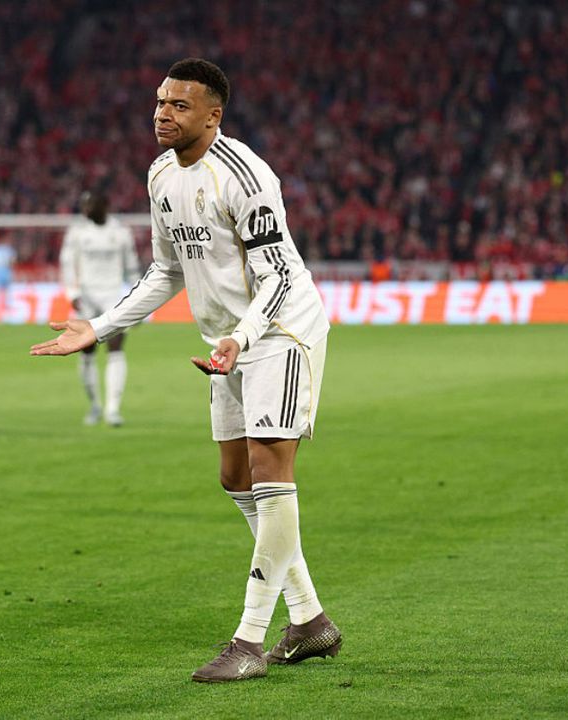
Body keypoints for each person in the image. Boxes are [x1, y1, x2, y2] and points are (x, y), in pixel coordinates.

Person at [31, 58, 341, 682]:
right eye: (159, 102)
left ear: (212, 115)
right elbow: (165, 271)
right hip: (228, 343)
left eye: (179, 105)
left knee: (269, 470)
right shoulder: (159, 175)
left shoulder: (246, 175)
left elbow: (279, 275)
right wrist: (99, 325)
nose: (162, 114)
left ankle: (248, 641)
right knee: (235, 477)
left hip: (279, 332)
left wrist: (242, 337)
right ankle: (309, 620)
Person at [59, 189, 140, 426]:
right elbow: (67, 264)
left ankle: (112, 409)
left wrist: (137, 302)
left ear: (104, 206)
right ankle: (95, 405)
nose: (85, 209)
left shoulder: (121, 233)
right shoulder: (77, 232)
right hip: (86, 297)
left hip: (113, 295)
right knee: (86, 352)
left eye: (90, 205)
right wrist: (72, 293)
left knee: (115, 348)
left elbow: (132, 267)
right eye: (84, 205)